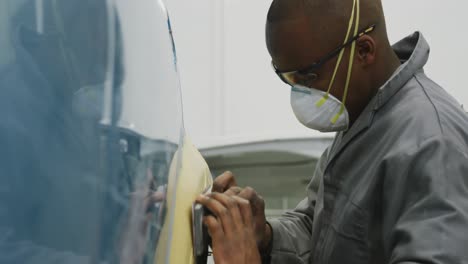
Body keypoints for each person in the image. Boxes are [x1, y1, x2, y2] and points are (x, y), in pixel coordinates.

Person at [196, 0, 468, 263]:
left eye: (308, 77)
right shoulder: (363, 117)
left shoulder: (432, 143)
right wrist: (265, 235)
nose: (301, 93)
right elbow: (317, 228)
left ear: (363, 50)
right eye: (289, 79)